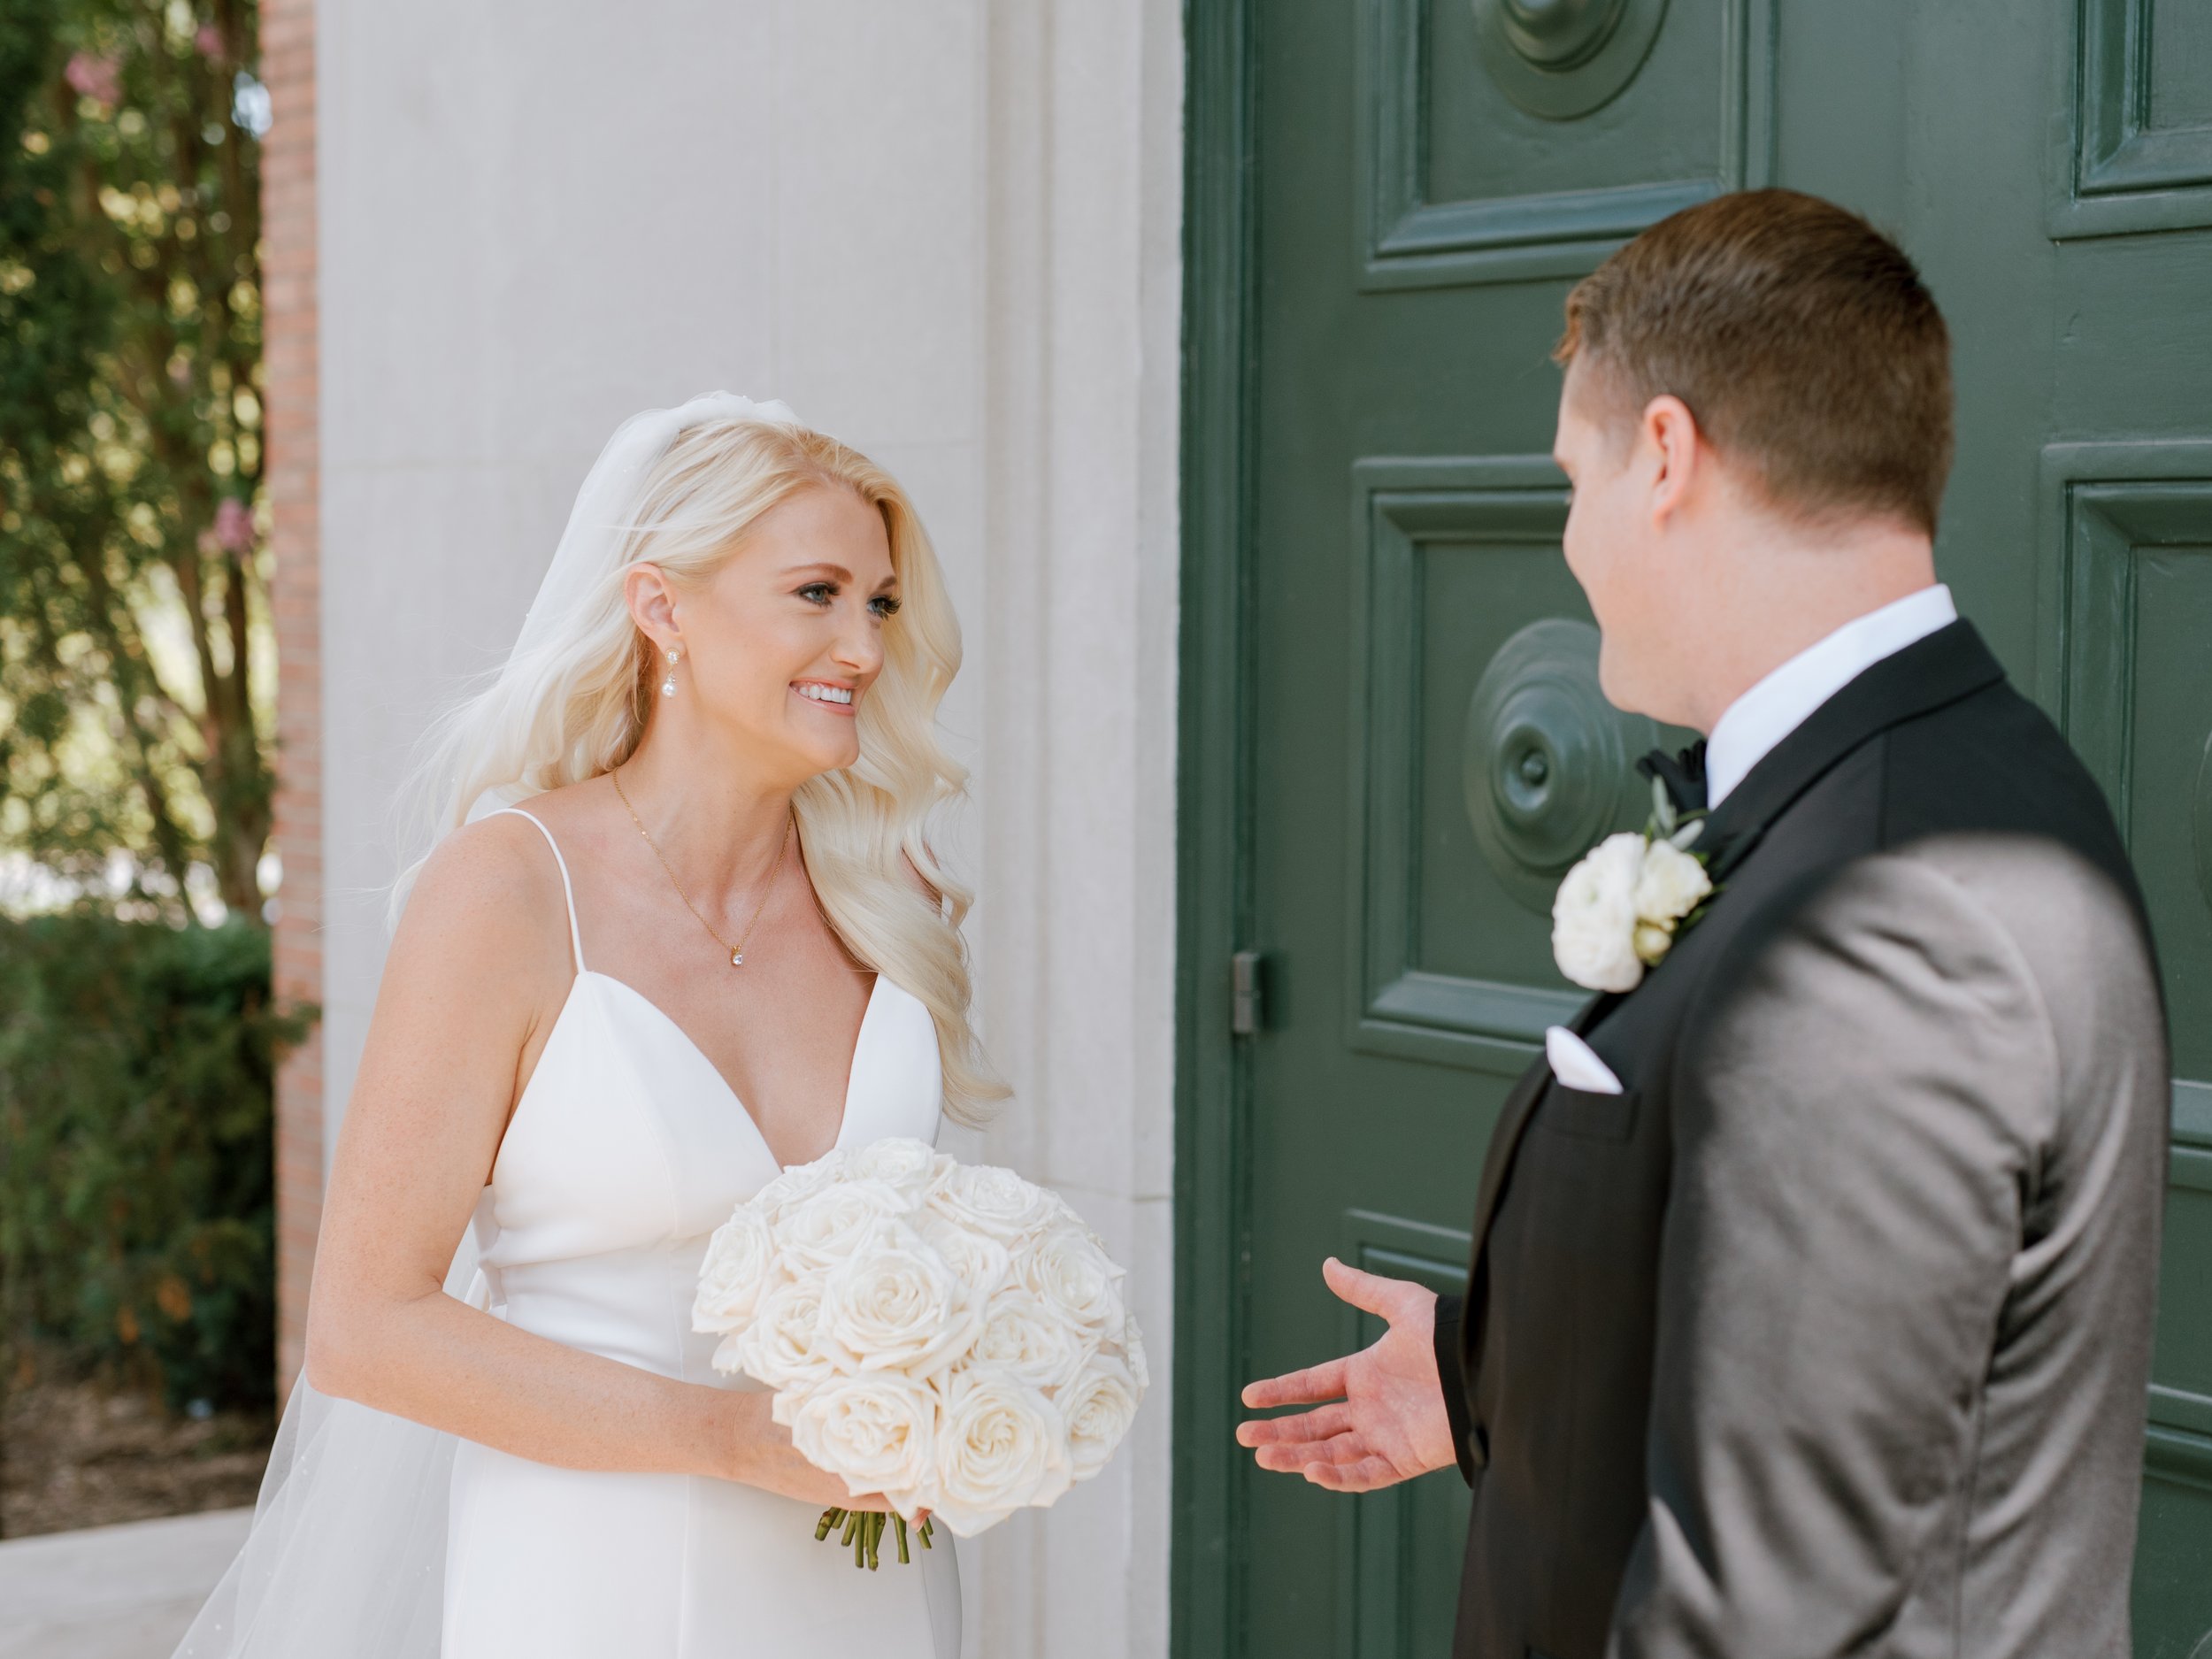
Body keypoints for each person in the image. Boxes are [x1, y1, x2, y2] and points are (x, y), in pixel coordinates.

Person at [1237, 190, 2169, 1657]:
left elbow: (1788, 1599)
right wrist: (1499, 1380)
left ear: (1664, 456)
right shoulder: (1937, 776)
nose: (1568, 540)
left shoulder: (1886, 914)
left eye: (1572, 479)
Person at [173, 394, 1000, 1658]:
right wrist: (727, 1440)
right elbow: (367, 1327)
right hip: (593, 1580)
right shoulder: (506, 891)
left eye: (879, 603)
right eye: (818, 594)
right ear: (661, 606)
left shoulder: (892, 897)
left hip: (866, 1587)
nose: (866, 648)